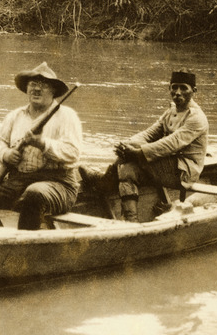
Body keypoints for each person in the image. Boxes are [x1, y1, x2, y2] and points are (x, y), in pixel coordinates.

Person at [0, 62, 83, 230]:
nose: (36, 89)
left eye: (44, 85)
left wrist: (42, 144)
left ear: (53, 91)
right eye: (33, 84)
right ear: (26, 88)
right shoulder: (14, 116)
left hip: (59, 183)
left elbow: (73, 153)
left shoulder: (67, 116)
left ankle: (25, 243)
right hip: (18, 181)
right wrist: (5, 154)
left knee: (34, 194)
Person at [81, 69, 208, 222]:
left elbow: (170, 144)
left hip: (183, 171)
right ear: (169, 88)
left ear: (193, 91)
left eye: (183, 88)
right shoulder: (171, 111)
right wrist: (127, 145)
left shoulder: (197, 118)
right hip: (167, 162)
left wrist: (136, 153)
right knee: (127, 168)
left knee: (130, 160)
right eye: (174, 87)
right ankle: (131, 220)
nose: (178, 92)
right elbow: (150, 134)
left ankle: (105, 180)